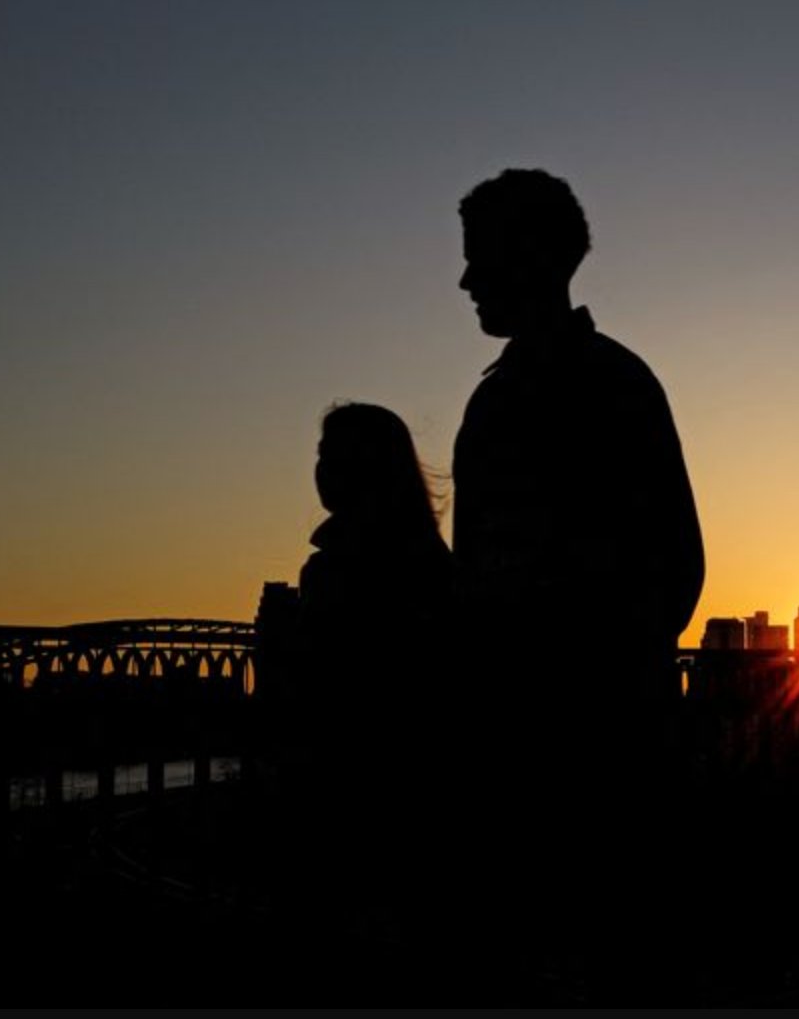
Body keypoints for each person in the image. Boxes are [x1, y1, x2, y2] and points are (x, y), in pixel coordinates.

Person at [451, 168, 705, 995]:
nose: (465, 280)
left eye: (478, 258)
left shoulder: (596, 389)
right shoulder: (594, 386)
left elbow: (669, 567)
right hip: (568, 744)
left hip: (580, 753)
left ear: (532, 258)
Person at [281, 401, 453, 957]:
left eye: (334, 456)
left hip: (359, 800)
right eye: (320, 455)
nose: (322, 469)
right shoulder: (426, 561)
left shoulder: (354, 566)